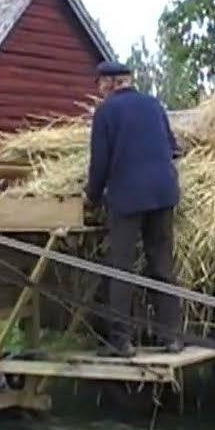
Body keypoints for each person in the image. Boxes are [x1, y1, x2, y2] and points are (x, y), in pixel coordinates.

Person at [85, 60, 183, 357]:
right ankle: (172, 337)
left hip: (128, 196)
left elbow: (99, 162)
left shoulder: (106, 112)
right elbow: (173, 148)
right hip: (163, 193)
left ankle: (121, 339)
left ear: (110, 83)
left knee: (121, 266)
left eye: (100, 83)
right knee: (162, 264)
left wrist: (91, 195)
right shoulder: (154, 105)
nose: (99, 90)